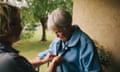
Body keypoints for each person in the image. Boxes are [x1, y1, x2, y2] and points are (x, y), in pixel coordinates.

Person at [32, 8, 102, 72]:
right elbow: (43, 57)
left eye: (58, 32)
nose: (56, 36)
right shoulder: (57, 42)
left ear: (67, 27)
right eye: (54, 33)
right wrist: (43, 60)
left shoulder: (86, 45)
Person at [0, 3, 36, 72]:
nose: (21, 28)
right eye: (19, 23)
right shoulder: (11, 60)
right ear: (8, 27)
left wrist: (42, 61)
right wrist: (53, 64)